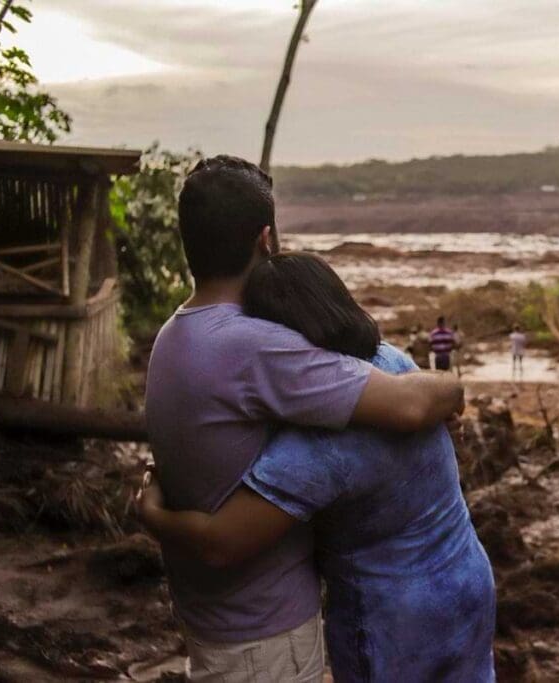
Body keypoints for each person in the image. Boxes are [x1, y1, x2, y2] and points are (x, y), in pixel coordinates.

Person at [144, 156, 464, 682]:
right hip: (266, 639)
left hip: (211, 622)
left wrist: (153, 513)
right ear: (266, 240)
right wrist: (452, 387)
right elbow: (409, 404)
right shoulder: (253, 347)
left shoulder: (175, 336)